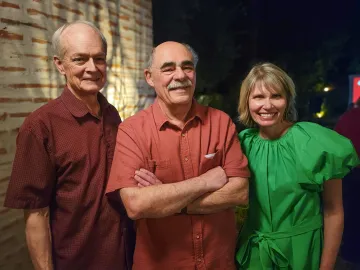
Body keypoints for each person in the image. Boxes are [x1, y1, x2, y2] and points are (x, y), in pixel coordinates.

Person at [105, 41, 250, 270]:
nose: (180, 75)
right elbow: (135, 204)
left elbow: (239, 192)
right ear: (150, 77)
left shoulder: (221, 122)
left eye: (187, 67)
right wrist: (205, 182)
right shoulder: (132, 131)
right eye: (168, 68)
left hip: (218, 263)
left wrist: (170, 200)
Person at [4, 21, 134, 270]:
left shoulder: (112, 114)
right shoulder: (40, 126)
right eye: (80, 59)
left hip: (126, 257)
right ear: (60, 64)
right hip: (76, 262)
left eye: (99, 58)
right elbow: (35, 214)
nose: (92, 68)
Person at [235, 63, 359, 270]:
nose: (267, 105)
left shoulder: (314, 142)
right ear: (246, 101)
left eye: (276, 96)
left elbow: (334, 210)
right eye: (258, 97)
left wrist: (326, 267)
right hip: (255, 256)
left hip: (302, 253)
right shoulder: (241, 145)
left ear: (287, 100)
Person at [334, 98, 360, 268]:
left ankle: (351, 255)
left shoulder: (347, 118)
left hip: (352, 174)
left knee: (352, 217)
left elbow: (336, 147)